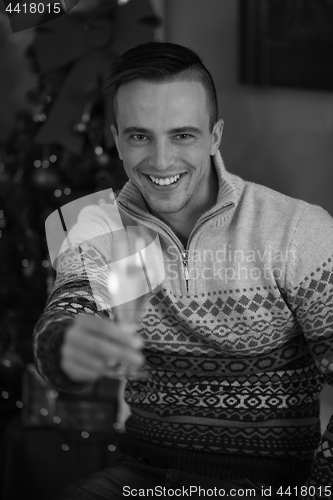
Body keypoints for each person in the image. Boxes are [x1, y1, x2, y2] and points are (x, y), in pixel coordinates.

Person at [33, 42, 333, 499]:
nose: (160, 160)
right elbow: (70, 306)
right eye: (139, 136)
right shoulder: (101, 225)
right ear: (116, 139)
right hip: (140, 478)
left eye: (182, 135)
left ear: (214, 136)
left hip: (273, 484)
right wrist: (67, 342)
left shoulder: (295, 231)